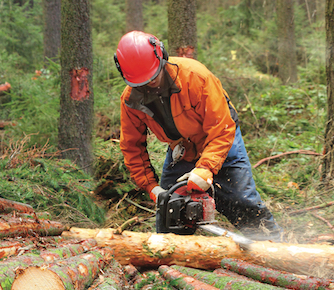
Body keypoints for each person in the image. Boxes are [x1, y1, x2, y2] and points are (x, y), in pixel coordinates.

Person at [114, 31, 282, 241]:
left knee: (242, 201)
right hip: (182, 148)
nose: (150, 84)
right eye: (142, 82)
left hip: (220, 138)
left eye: (153, 76)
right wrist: (151, 187)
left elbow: (221, 128)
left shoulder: (195, 77)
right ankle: (172, 264)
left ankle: (275, 248)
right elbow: (132, 147)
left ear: (161, 55)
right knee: (169, 211)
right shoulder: (131, 99)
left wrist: (205, 170)